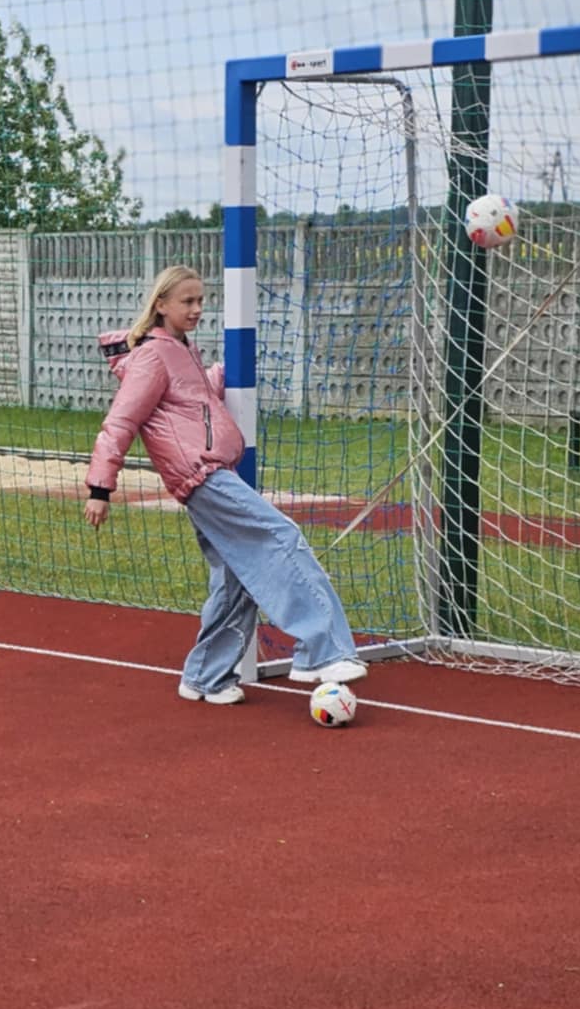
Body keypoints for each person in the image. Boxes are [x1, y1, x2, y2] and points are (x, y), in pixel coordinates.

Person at [84, 265, 368, 705]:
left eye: (201, 300)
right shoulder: (152, 357)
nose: (197, 308)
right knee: (279, 536)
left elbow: (194, 400)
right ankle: (322, 651)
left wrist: (226, 368)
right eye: (187, 301)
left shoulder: (182, 350)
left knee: (238, 578)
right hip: (203, 476)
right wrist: (101, 488)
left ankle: (205, 677)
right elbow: (121, 421)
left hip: (213, 473)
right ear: (161, 305)